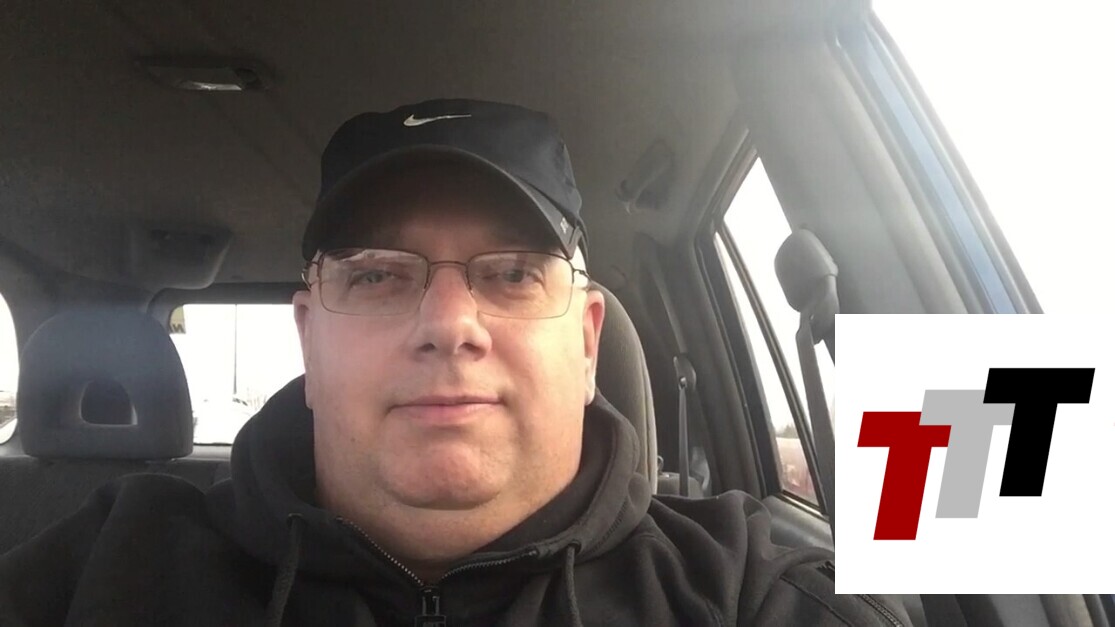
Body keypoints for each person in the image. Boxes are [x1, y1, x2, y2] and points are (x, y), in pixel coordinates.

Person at [0, 99, 910, 626]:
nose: (447, 324)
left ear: (586, 340)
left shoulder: (751, 593)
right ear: (308, 339)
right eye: (377, 274)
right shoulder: (105, 571)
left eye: (512, 273)